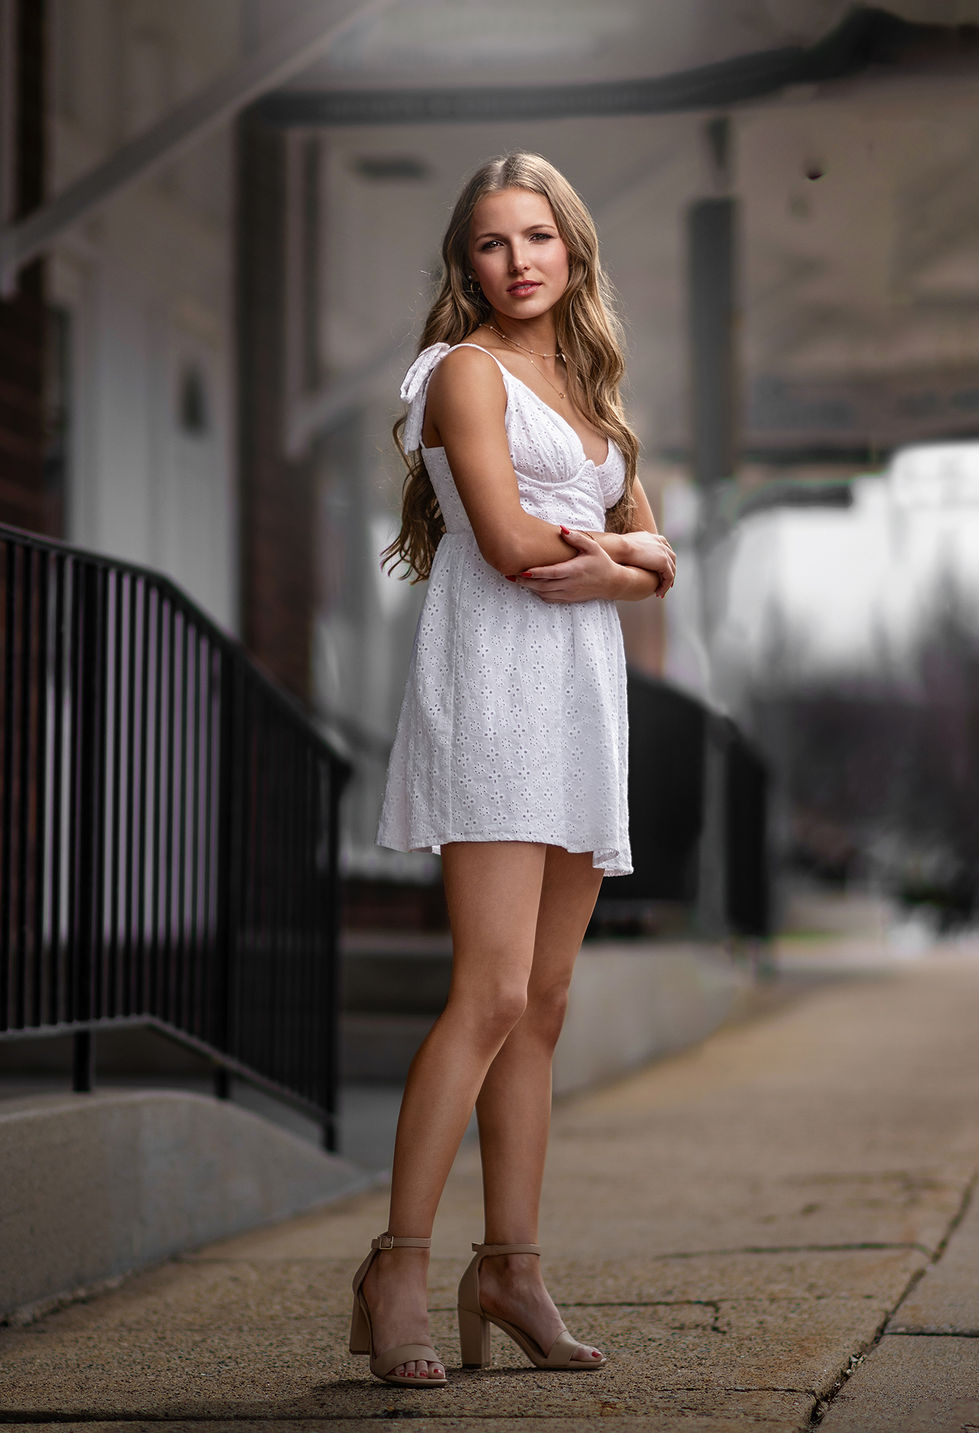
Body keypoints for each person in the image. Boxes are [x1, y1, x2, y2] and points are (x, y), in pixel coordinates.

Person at [349, 152, 676, 1388]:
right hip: (494, 695)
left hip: (583, 703)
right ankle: (397, 1262)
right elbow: (506, 540)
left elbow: (657, 541)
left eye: (537, 235)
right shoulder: (463, 375)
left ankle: (512, 1266)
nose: (518, 260)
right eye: (491, 242)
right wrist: (630, 558)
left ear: (572, 248)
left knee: (543, 1006)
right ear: (463, 262)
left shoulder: (588, 384)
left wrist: (635, 559)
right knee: (486, 994)